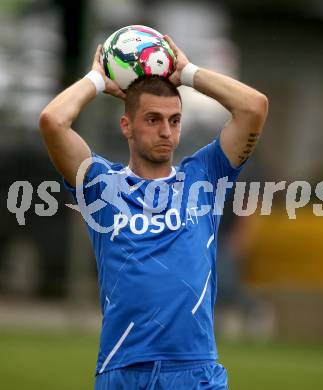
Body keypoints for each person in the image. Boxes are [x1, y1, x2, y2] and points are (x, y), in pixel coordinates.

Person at [39, 35, 268, 390]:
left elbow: (254, 106)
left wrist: (188, 73)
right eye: (153, 119)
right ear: (126, 126)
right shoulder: (101, 186)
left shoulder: (204, 176)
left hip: (196, 372)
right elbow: (53, 120)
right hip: (123, 368)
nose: (166, 131)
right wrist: (97, 79)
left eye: (174, 120)